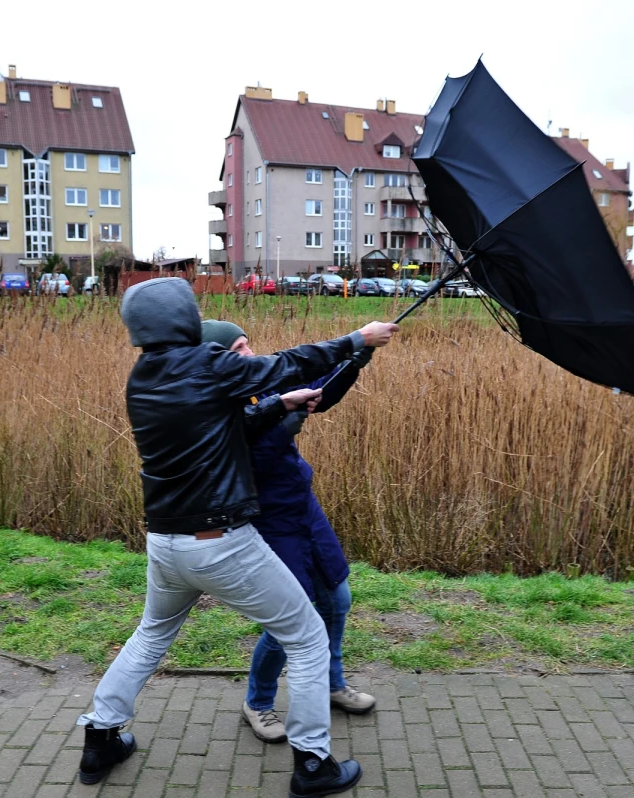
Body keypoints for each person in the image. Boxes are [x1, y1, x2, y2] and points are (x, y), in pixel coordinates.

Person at [75, 277, 398, 798]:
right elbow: (288, 363)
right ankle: (313, 764)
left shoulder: (143, 377)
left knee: (151, 635)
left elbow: (224, 426)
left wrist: (278, 406)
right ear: (183, 318)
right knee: (307, 636)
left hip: (165, 543)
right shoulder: (207, 363)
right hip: (219, 540)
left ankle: (99, 737)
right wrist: (357, 339)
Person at [200, 320, 376, 746]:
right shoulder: (211, 408)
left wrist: (355, 360)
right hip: (267, 520)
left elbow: (318, 391)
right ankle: (258, 702)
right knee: (292, 618)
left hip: (302, 507)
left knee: (337, 599)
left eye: (247, 345)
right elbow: (244, 461)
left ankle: (332, 683)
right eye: (237, 349)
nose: (249, 354)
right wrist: (281, 427)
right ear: (216, 358)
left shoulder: (260, 380)